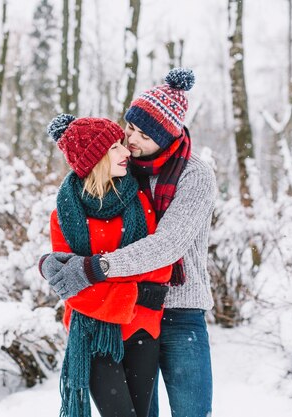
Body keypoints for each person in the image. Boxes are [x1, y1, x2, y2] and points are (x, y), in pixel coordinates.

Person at [40, 68, 216, 417]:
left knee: (193, 411)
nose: (131, 140)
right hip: (129, 312)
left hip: (181, 312)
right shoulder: (125, 165)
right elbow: (82, 209)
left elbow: (167, 245)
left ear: (167, 136)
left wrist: (97, 268)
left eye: (142, 135)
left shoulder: (195, 175)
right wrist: (51, 262)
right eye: (129, 128)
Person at [39, 113, 174, 417]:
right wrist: (133, 294)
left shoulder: (140, 204)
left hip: (142, 328)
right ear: (95, 158)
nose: (127, 151)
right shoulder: (64, 216)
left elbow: (156, 267)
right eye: (115, 147)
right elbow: (71, 287)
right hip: (93, 335)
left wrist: (95, 275)